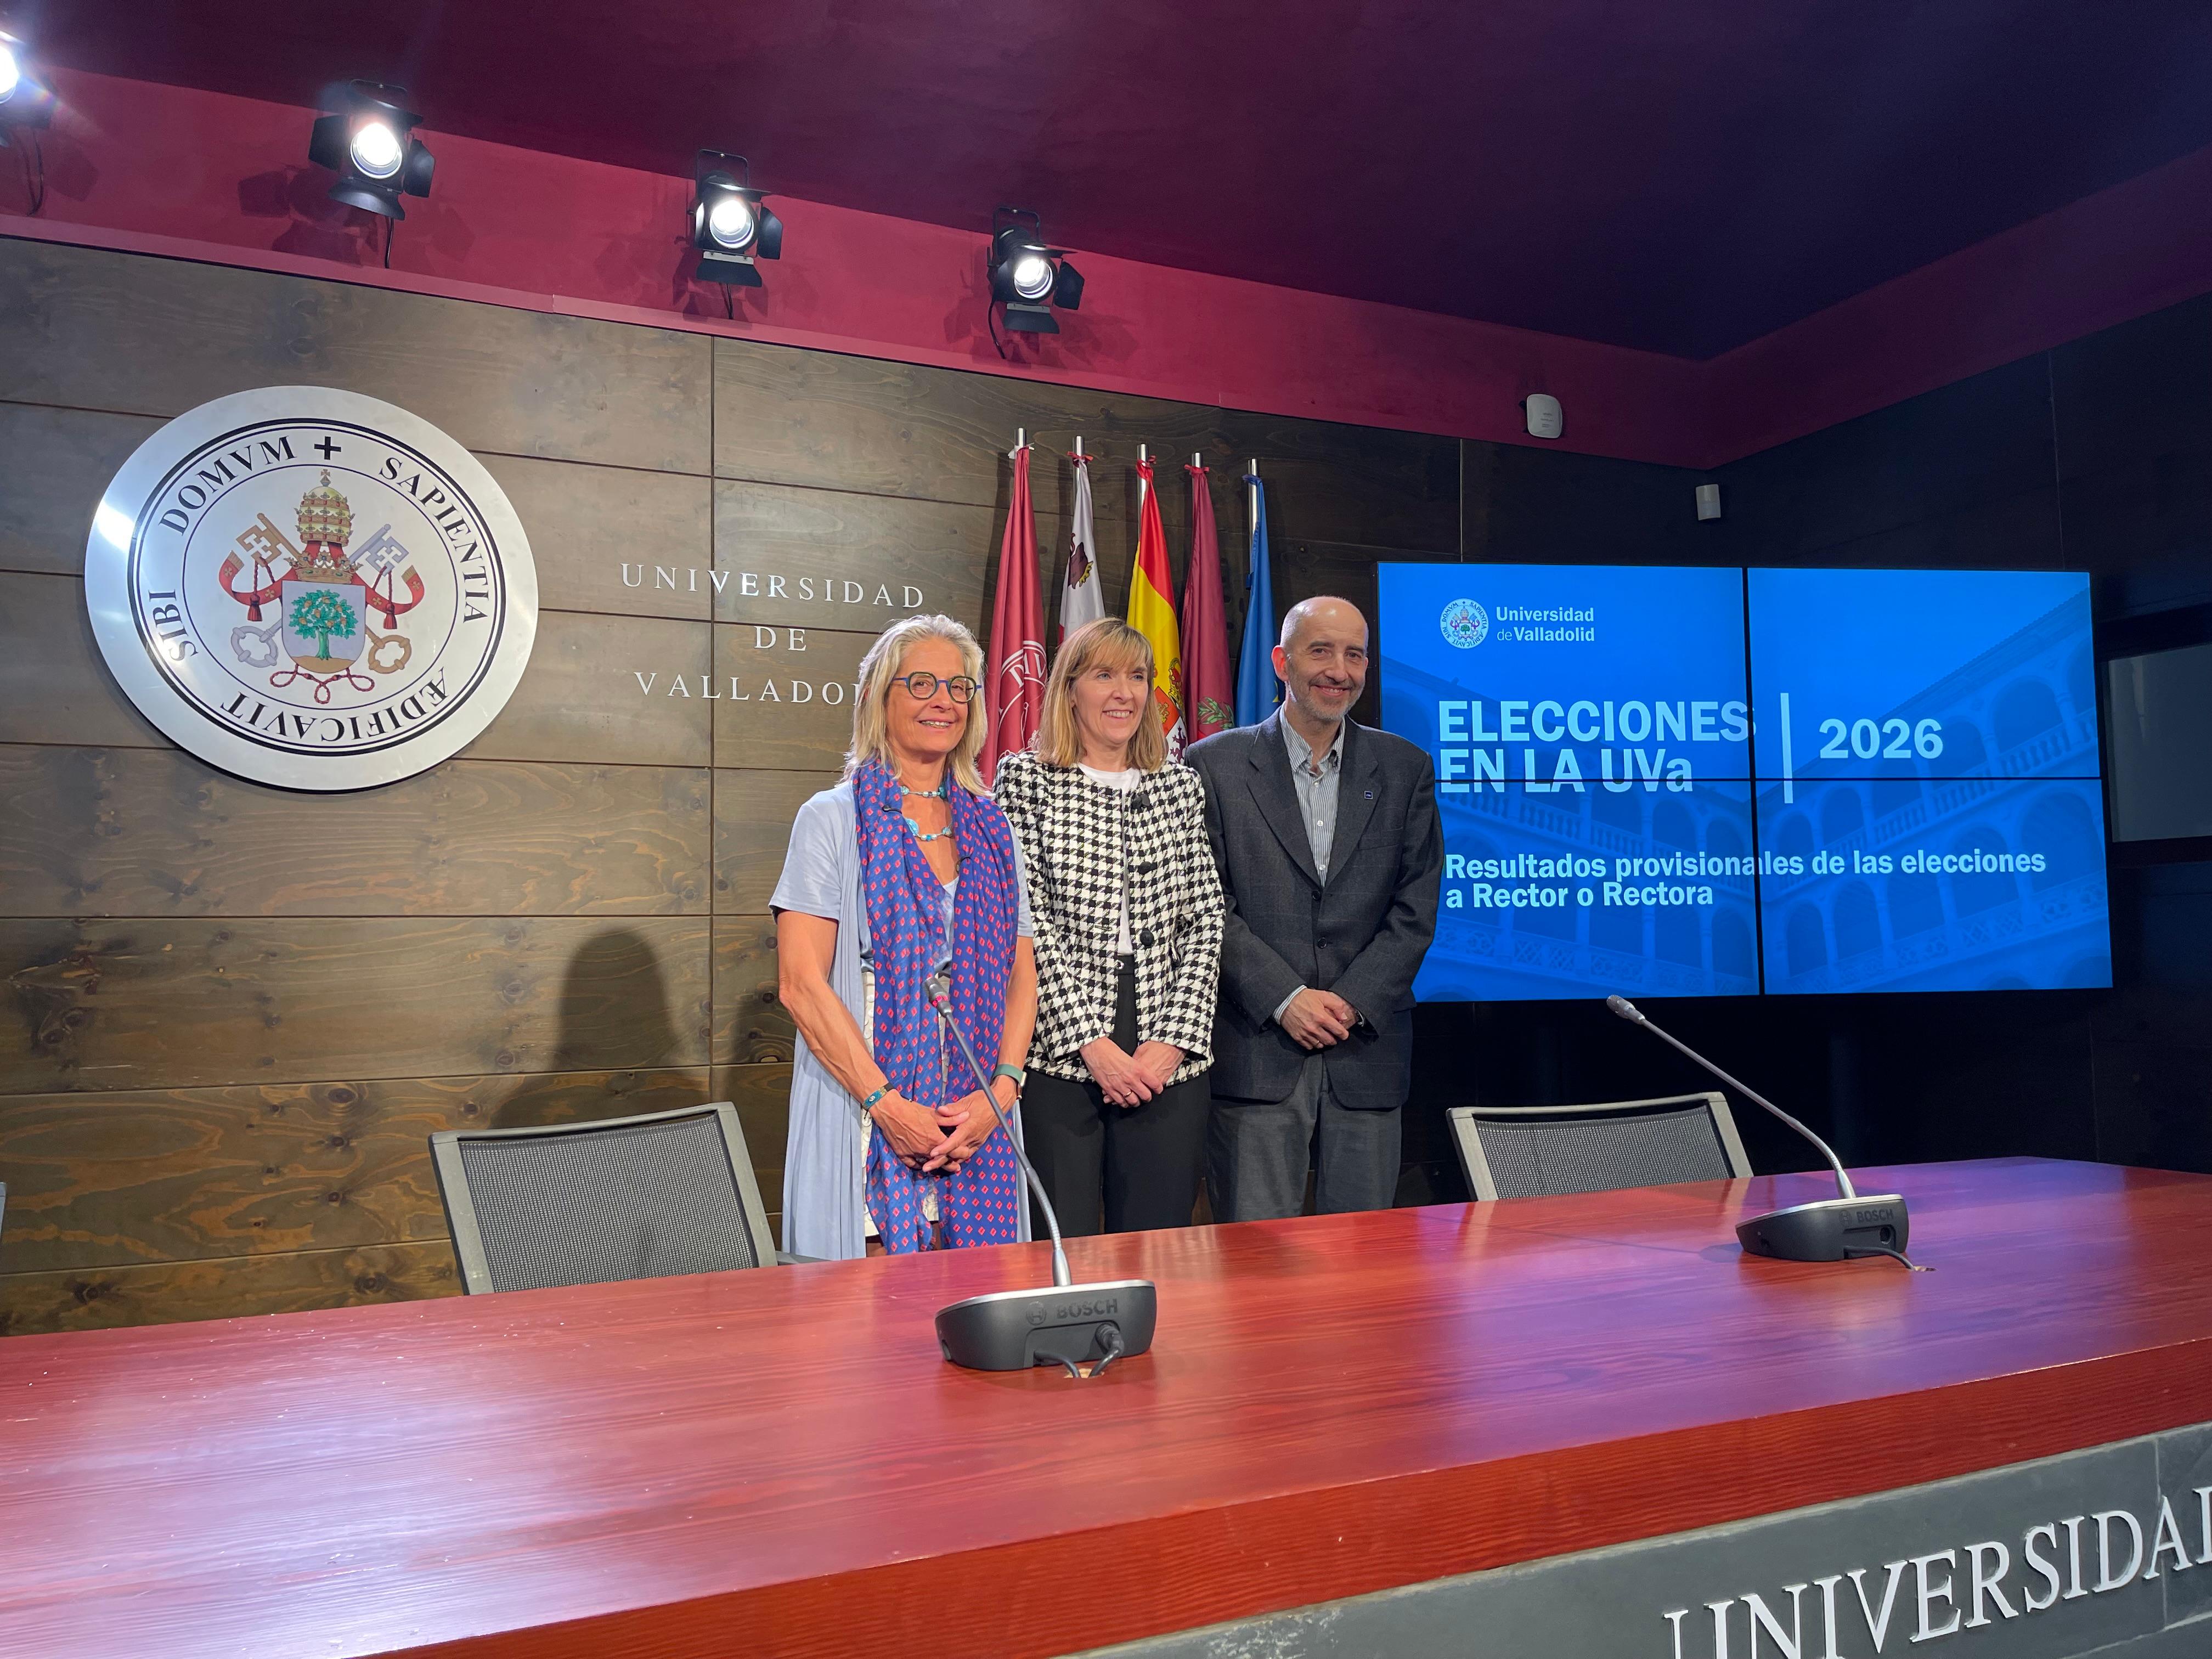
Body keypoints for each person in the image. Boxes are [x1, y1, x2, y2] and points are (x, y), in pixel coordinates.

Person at [772, 614, 1039, 1259]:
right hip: (866, 1111)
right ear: (877, 698)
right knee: (866, 1326)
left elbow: (1021, 975)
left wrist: (1001, 1092)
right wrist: (889, 1107)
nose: (942, 701)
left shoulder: (992, 826)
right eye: (920, 684)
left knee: (983, 1311)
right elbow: (802, 986)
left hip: (978, 1115)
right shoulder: (831, 821)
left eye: (958, 687)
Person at [1184, 595, 1442, 1221]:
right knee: (1254, 1268)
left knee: (1365, 1265)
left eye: (1355, 655)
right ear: (1281, 661)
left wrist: (1353, 1001)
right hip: (1257, 1049)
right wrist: (1286, 997)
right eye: (1320, 650)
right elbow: (1203, 904)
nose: (1339, 670)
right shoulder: (1210, 765)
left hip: (1368, 1050)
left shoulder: (1406, 768)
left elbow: (1417, 904)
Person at [994, 618, 1225, 1237]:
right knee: (1060, 1243)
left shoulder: (1179, 786)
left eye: (1138, 677)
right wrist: (1089, 1042)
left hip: (1166, 1050)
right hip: (1059, 1047)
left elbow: (1206, 919)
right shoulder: (1025, 780)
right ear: (1070, 689)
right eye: (1104, 675)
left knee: (1158, 1244)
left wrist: (1174, 1040)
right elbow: (1026, 922)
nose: (1124, 692)